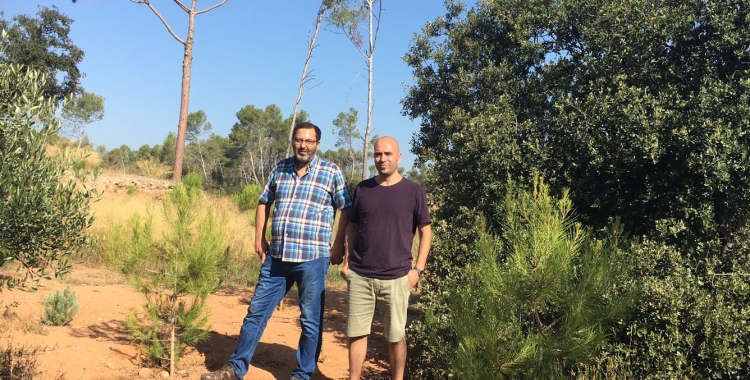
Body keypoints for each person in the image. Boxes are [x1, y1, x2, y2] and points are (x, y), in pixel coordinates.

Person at [202, 122, 352, 380]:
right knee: (256, 313)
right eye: (299, 140)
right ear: (293, 141)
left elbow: (347, 208)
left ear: (317, 144)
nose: (303, 145)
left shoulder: (331, 172)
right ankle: (236, 367)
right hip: (277, 259)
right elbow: (263, 201)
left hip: (313, 259)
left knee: (310, 320)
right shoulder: (280, 168)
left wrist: (339, 247)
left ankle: (303, 374)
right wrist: (259, 238)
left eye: (309, 141)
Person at [341, 136, 432, 380]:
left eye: (388, 154)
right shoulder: (363, 189)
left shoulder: (413, 191)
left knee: (395, 336)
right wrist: (348, 260)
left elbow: (426, 231)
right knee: (357, 334)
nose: (383, 159)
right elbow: (351, 226)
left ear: (399, 157)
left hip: (397, 277)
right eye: (378, 154)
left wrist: (418, 270)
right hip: (360, 275)